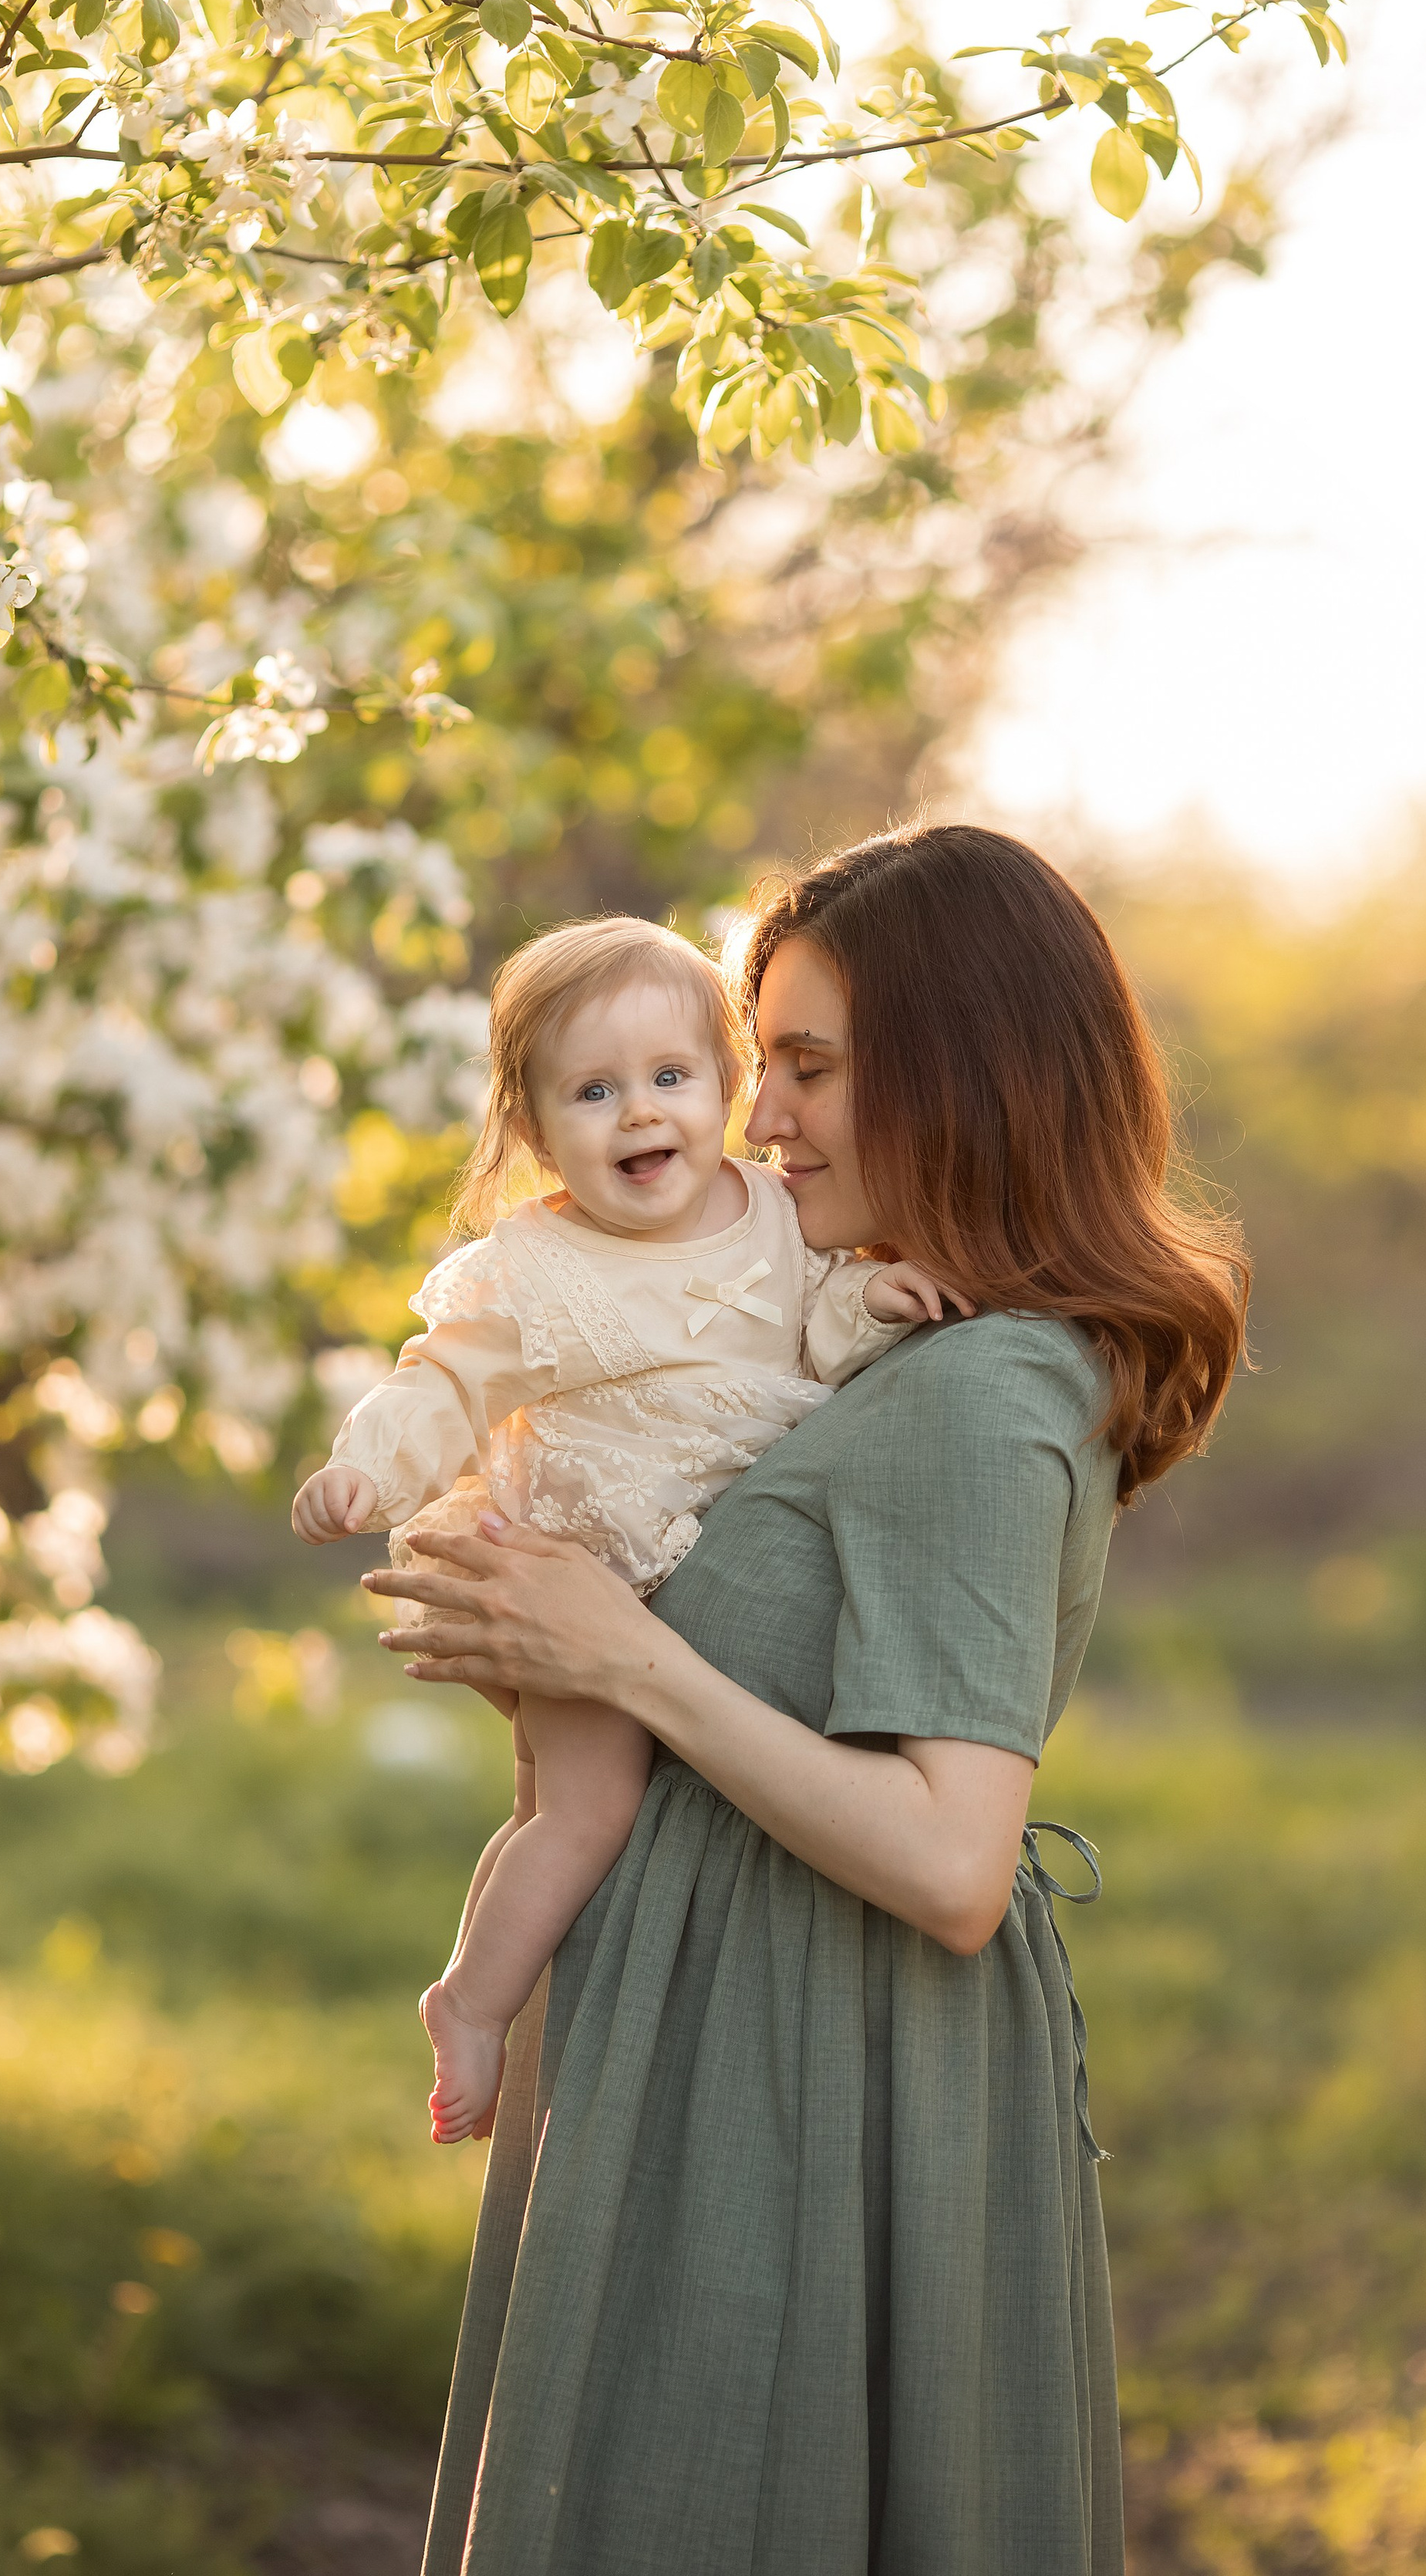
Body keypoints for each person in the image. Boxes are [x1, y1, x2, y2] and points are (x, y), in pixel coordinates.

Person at [384, 825, 1249, 2576]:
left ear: (964, 1067)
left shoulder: (985, 1390)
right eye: (756, 1060)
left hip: (809, 2067)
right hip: (712, 2029)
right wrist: (549, 1641)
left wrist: (620, 1657)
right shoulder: (878, 1349)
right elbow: (732, 1694)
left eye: (804, 1064)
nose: (754, 1119)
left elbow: (947, 1862)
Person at [291, 916, 962, 2141]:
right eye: (593, 1091)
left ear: (726, 1086)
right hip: (579, 1567)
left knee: (547, 1809)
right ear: (538, 1131)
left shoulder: (775, 1216)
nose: (640, 1113)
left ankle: (495, 1989)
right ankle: (473, 2010)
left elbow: (819, 1323)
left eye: (670, 1077)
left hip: (669, 1570)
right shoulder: (536, 1267)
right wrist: (367, 1472)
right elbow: (442, 1382)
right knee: (589, 1813)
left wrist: (876, 1299)